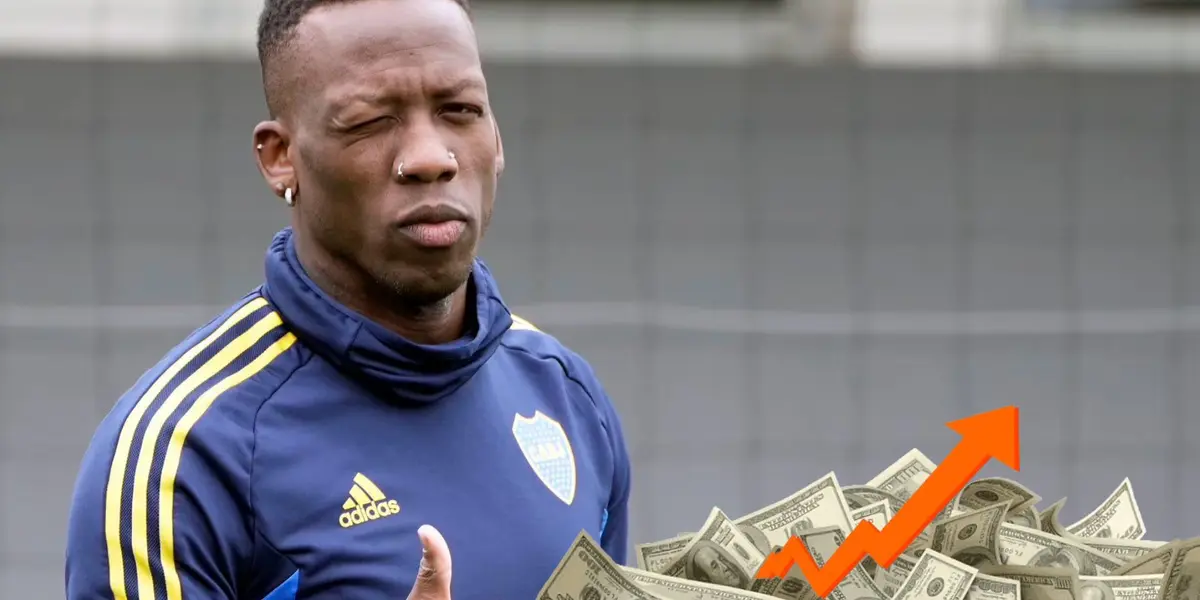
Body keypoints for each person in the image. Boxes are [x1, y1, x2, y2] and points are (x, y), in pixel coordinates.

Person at [63, 0, 632, 597]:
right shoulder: (182, 459)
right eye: (369, 121)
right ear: (281, 159)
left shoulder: (567, 394)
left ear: (495, 136)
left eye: (461, 110)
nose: (430, 158)